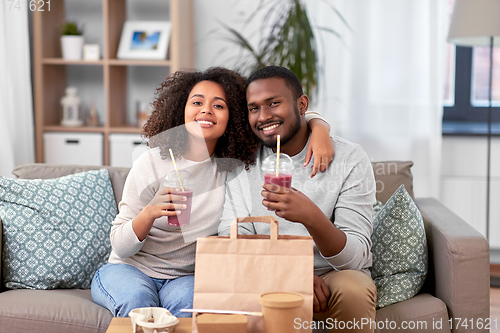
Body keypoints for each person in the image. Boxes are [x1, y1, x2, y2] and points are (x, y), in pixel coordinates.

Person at [91, 67, 334, 318]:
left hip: (185, 277)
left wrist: (319, 127)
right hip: (130, 270)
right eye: (197, 102)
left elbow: (280, 118)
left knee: (191, 309)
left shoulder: (235, 167)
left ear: (234, 117)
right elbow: (120, 246)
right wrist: (150, 212)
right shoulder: (152, 163)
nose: (206, 110)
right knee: (139, 302)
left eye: (219, 106)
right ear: (181, 110)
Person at [218, 66, 377, 332]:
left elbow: (356, 258)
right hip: (263, 269)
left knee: (354, 290)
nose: (264, 116)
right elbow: (231, 237)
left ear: (302, 104)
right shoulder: (242, 160)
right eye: (254, 108)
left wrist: (311, 217)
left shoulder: (349, 158)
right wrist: (290, 272)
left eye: (274, 103)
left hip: (331, 274)